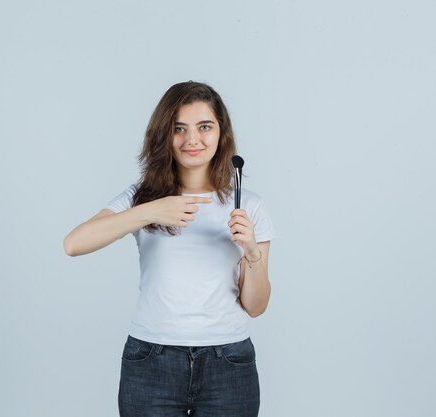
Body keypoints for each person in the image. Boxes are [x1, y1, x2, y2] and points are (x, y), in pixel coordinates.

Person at [63, 81, 277, 417]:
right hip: (152, 361)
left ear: (221, 133)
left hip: (228, 362)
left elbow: (256, 306)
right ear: (165, 135)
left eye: (204, 127)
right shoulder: (143, 198)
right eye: (179, 129)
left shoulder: (249, 205)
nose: (192, 139)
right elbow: (74, 244)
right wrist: (151, 211)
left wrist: (252, 251)